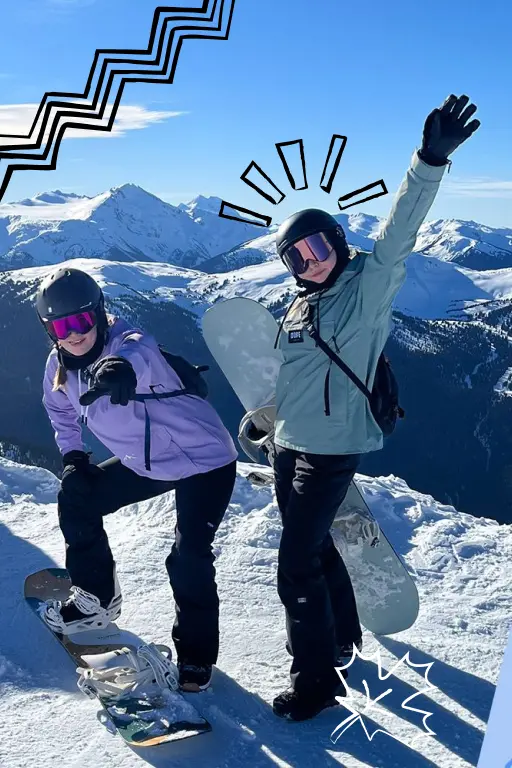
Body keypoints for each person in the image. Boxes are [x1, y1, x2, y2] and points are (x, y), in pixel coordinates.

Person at [271, 94, 481, 721]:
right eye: (295, 260)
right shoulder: (301, 306)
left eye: (316, 248)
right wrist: (268, 422)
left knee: (294, 564)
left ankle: (316, 682)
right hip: (290, 439)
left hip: (332, 446)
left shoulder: (366, 290)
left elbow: (397, 237)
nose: (309, 264)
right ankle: (340, 637)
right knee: (313, 547)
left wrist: (427, 161)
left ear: (336, 242)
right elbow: (297, 376)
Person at [36, 267, 238, 692]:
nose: (73, 334)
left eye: (81, 321)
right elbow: (61, 414)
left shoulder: (129, 345)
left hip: (204, 461)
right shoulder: (58, 365)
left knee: (188, 557)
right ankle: (96, 599)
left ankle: (196, 658)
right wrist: (74, 458)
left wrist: (118, 370)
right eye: (60, 325)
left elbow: (137, 353)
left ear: (99, 314)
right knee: (77, 498)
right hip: (146, 462)